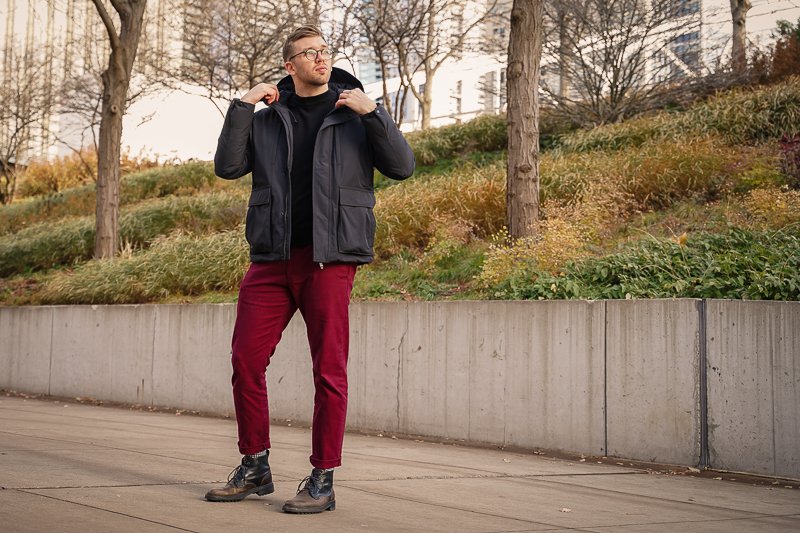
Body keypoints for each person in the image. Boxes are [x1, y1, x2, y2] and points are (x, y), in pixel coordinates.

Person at [204, 25, 415, 514]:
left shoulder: (355, 112)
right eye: (309, 53)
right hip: (272, 259)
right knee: (245, 360)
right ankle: (255, 465)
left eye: (325, 51)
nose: (321, 59)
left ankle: (323, 478)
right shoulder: (266, 118)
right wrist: (243, 105)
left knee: (328, 371)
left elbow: (402, 166)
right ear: (289, 65)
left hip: (331, 259)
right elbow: (227, 167)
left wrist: (376, 113)